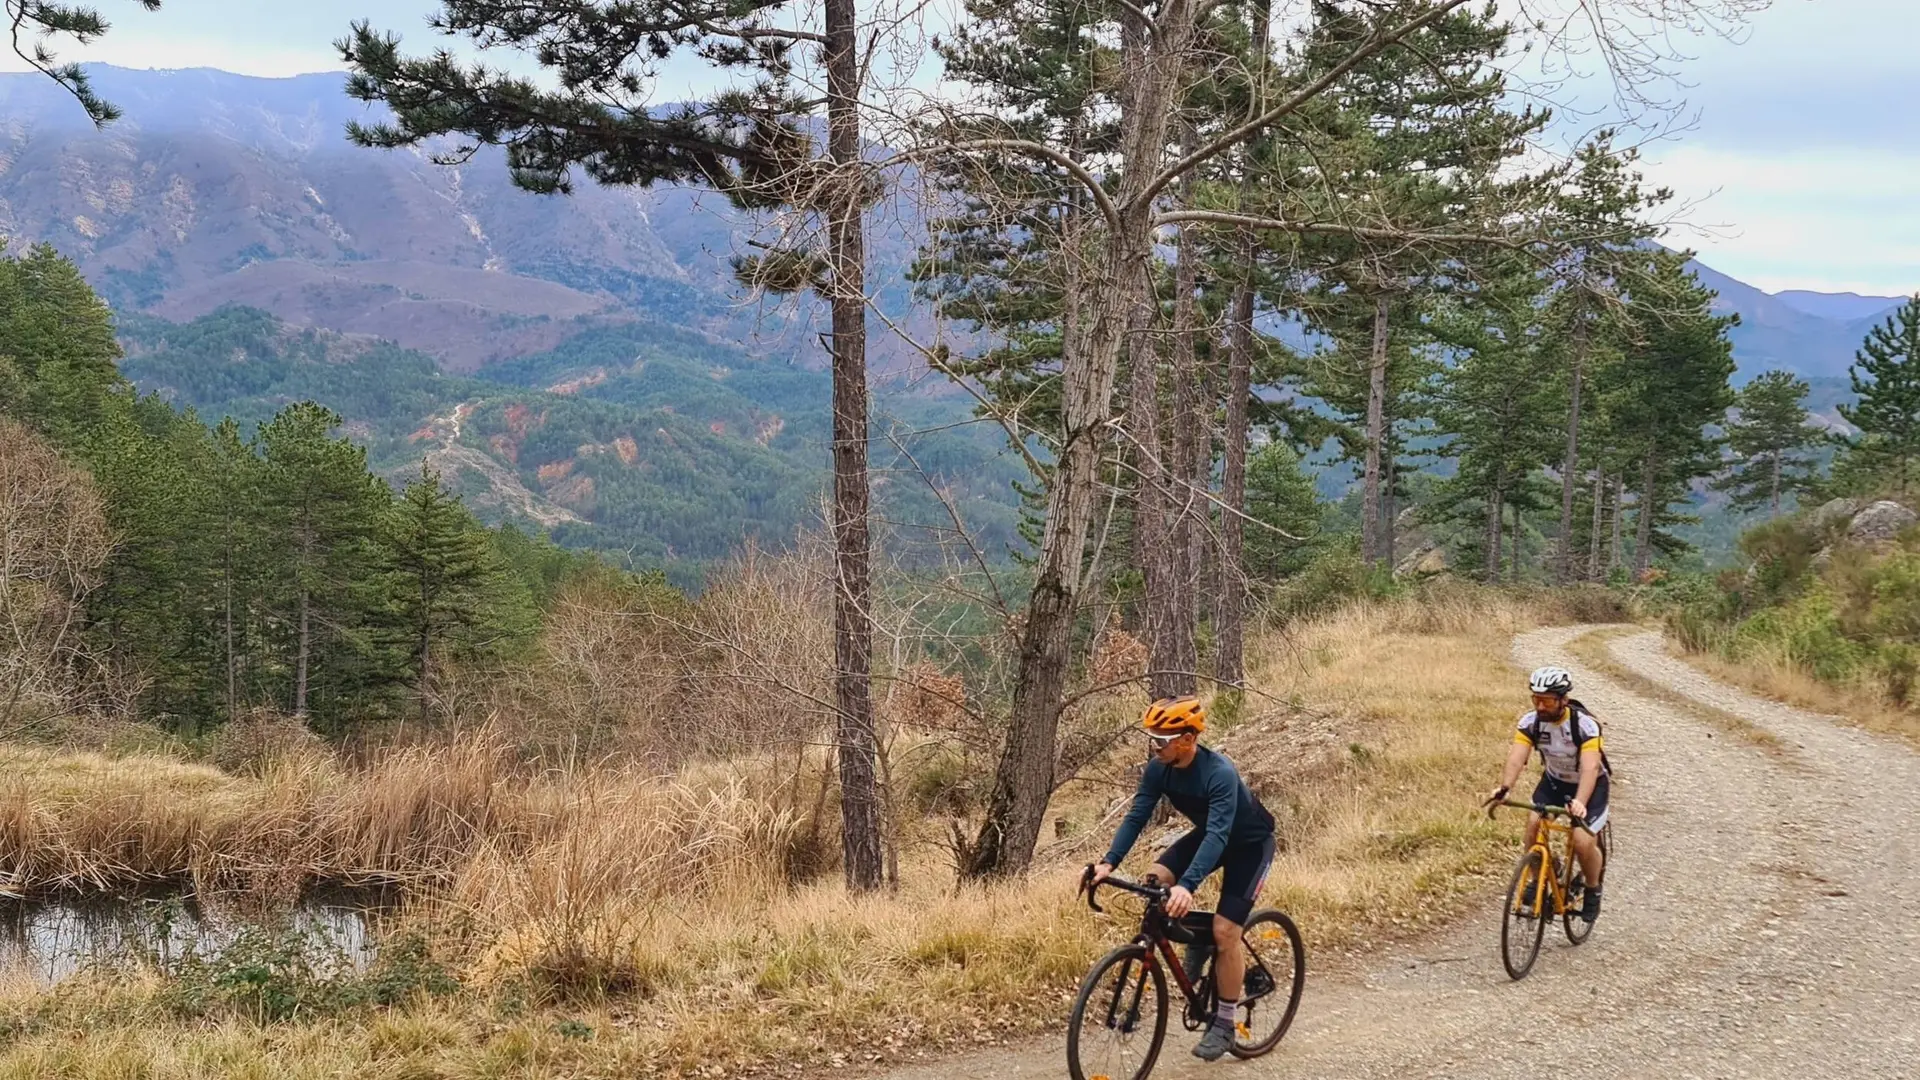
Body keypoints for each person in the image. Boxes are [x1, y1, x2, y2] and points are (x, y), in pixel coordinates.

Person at [1090, 695, 1277, 1062]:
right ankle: (1198, 942)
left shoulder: (1218, 773)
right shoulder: (1159, 768)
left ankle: (1223, 1022)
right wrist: (1108, 863)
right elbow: (1136, 816)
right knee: (1155, 881)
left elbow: (1219, 837)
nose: (1154, 746)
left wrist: (1188, 886)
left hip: (1249, 846)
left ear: (1188, 739)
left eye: (1161, 740)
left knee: (1226, 931)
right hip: (1211, 836)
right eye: (1152, 738)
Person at [1487, 665, 1609, 922]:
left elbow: (1590, 767)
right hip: (1554, 783)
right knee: (1533, 825)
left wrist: (1580, 802)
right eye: (1536, 699)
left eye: (1547, 701)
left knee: (1582, 840)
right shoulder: (1530, 723)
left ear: (1564, 700)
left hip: (1590, 787)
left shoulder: (1585, 726)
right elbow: (1517, 758)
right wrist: (1505, 787)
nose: (1540, 707)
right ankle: (1539, 877)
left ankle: (1592, 888)